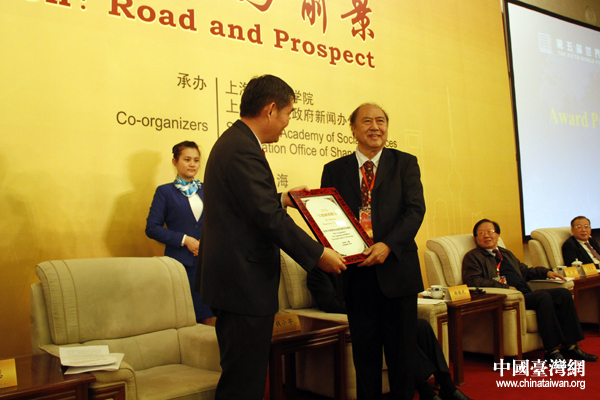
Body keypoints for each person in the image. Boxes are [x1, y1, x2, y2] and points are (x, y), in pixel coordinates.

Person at [195, 74, 346, 400]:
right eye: (288, 114)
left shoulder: (237, 142)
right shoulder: (242, 149)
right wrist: (318, 254)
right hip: (242, 285)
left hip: (236, 284)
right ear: (271, 109)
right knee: (243, 384)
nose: (288, 123)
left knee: (244, 377)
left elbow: (249, 204)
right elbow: (268, 218)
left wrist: (281, 198)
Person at [321, 103, 426, 400]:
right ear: (353, 129)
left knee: (402, 358)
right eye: (367, 121)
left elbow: (415, 211)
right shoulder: (334, 170)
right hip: (357, 277)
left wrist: (388, 245)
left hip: (398, 273)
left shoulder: (405, 163)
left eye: (381, 121)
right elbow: (328, 218)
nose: (375, 127)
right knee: (365, 359)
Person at [307, 267, 473, 400]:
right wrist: (371, 309)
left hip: (380, 313)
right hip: (361, 317)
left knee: (421, 326)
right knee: (401, 335)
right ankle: (425, 390)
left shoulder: (361, 266)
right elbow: (331, 303)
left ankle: (446, 384)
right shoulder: (318, 271)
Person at [462, 219, 597, 363]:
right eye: (481, 233)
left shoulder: (505, 253)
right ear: (476, 238)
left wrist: (546, 272)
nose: (487, 236)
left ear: (498, 235)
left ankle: (570, 346)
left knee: (563, 294)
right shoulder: (473, 256)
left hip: (525, 293)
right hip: (510, 298)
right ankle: (551, 351)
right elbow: (473, 280)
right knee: (543, 297)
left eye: (490, 232)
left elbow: (524, 271)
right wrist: (505, 288)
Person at [145, 141, 214, 324]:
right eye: (187, 159)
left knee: (209, 317)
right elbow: (152, 228)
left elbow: (219, 222)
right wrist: (184, 240)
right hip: (180, 263)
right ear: (175, 161)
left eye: (196, 160)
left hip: (208, 263)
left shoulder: (208, 189)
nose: (193, 164)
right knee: (186, 318)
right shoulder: (165, 192)